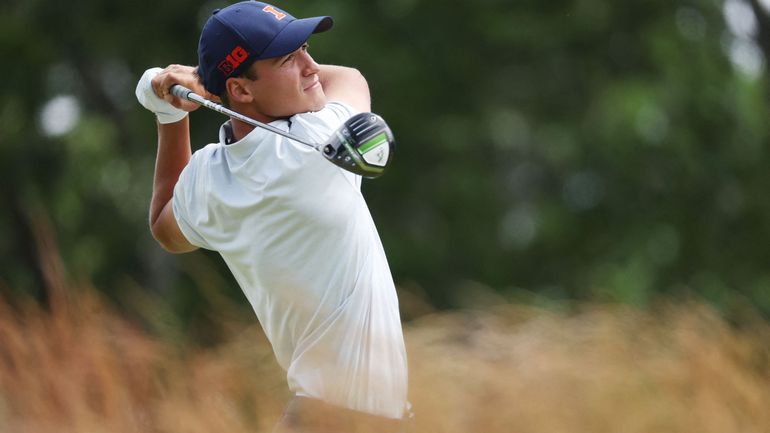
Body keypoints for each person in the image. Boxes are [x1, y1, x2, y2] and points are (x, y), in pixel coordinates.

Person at [134, 1, 410, 432]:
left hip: (321, 414)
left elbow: (164, 225)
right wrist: (198, 83)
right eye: (289, 59)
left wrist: (169, 112)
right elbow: (350, 78)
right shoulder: (314, 144)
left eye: (305, 49)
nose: (311, 66)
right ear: (241, 91)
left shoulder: (210, 178)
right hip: (342, 417)